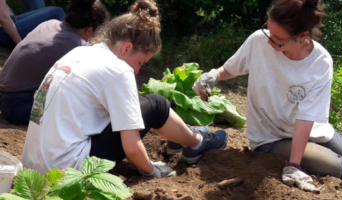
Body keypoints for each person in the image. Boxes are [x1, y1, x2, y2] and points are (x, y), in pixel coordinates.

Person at [21, 0, 228, 176]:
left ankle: (185, 138)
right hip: (69, 170)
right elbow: (132, 148)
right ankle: (197, 142)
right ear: (127, 47)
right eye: (140, 63)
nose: (137, 71)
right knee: (156, 104)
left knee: (140, 106)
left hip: (33, 165)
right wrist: (152, 171)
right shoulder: (119, 70)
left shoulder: (80, 52)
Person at [192, 0, 342, 191]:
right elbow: (232, 68)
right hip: (271, 137)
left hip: (313, 130)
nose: (269, 40)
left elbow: (306, 117)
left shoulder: (320, 62)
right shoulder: (259, 41)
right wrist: (214, 75)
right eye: (268, 30)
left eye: (277, 37)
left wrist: (293, 165)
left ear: (301, 35)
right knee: (334, 166)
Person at [0, 0, 109, 125]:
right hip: (20, 107)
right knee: (86, 114)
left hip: (8, 97)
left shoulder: (50, 23)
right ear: (89, 30)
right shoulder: (78, 47)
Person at [0, 0, 65, 48]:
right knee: (57, 13)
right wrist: (21, 45)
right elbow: (3, 18)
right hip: (4, 30)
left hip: (8, 22)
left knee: (56, 12)